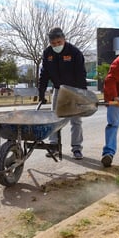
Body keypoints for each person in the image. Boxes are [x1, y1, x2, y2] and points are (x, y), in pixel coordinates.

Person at [38, 27, 87, 160]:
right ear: (50, 43)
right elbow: (44, 75)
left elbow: (81, 74)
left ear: (64, 39)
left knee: (75, 121)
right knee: (55, 119)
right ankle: (54, 146)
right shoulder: (48, 53)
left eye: (59, 42)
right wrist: (41, 94)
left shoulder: (74, 52)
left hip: (73, 89)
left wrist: (82, 94)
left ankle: (76, 148)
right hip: (58, 89)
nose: (56, 46)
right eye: (53, 44)